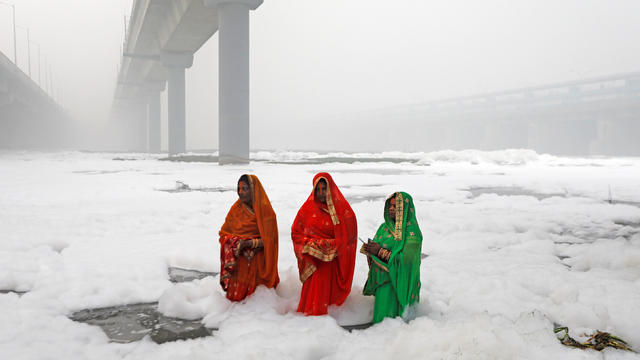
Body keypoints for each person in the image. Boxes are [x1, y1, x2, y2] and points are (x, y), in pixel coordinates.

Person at [291, 172, 357, 315]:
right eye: (318, 189)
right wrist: (311, 245)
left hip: (332, 262)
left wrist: (333, 244)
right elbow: (296, 232)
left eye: (324, 189)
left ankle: (327, 319)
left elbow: (350, 237)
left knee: (327, 298)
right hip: (313, 261)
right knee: (313, 296)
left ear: (331, 189)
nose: (321, 193)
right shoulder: (306, 210)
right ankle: (311, 319)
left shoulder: (343, 210)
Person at [361, 192, 422, 323]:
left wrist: (379, 251)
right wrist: (370, 250)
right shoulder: (384, 227)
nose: (390, 209)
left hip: (397, 286)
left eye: (395, 206)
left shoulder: (412, 235)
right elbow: (377, 247)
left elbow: (406, 263)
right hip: (383, 283)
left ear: (404, 209)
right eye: (390, 205)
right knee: (380, 323)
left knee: (392, 325)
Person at [219, 174, 279, 301]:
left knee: (256, 303)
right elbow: (223, 233)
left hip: (258, 262)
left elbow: (270, 241)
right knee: (237, 304)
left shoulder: (266, 213)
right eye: (239, 188)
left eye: (244, 189)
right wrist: (234, 242)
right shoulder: (236, 209)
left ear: (253, 190)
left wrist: (249, 244)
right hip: (239, 262)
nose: (240, 192)